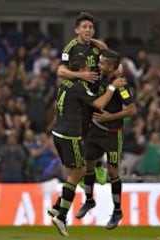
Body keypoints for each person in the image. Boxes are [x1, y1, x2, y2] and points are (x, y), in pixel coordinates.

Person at [49, 54, 125, 237]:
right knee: (76, 174)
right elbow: (99, 103)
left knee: (79, 171)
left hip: (57, 132)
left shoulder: (65, 83)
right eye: (87, 68)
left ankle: (59, 205)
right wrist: (113, 87)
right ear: (81, 71)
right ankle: (61, 215)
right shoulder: (79, 87)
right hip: (70, 135)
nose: (91, 70)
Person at [75, 49, 137, 229]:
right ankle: (88, 200)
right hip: (95, 130)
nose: (98, 64)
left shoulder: (121, 85)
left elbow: (132, 110)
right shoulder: (99, 77)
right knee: (89, 165)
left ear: (110, 67)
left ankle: (117, 211)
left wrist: (110, 117)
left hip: (112, 132)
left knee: (112, 172)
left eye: (102, 63)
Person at [57, 11, 108, 185]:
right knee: (80, 134)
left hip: (96, 93)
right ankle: (79, 172)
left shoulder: (95, 46)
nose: (88, 30)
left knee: (99, 130)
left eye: (91, 27)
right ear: (76, 30)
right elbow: (61, 71)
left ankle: (99, 164)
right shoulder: (70, 48)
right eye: (84, 27)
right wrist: (82, 75)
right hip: (79, 96)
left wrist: (95, 41)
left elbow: (107, 52)